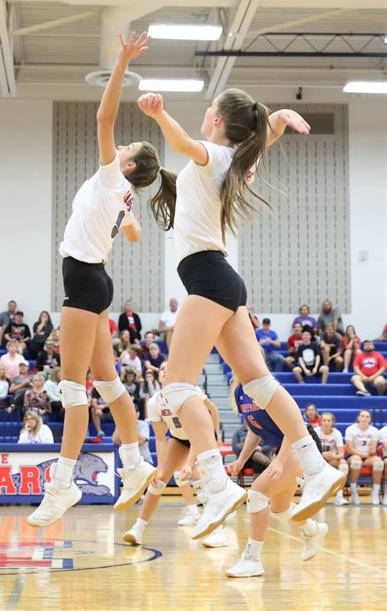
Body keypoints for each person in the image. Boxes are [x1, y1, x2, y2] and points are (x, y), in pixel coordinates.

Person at [138, 85, 344, 537]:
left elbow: (182, 145)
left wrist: (159, 114)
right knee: (259, 381)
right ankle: (316, 465)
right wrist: (279, 118)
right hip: (222, 277)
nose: (206, 112)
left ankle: (216, 482)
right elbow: (259, 137)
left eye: (211, 108)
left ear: (217, 121)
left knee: (174, 387)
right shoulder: (235, 158)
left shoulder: (212, 153)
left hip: (208, 277)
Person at [28, 33, 175, 527]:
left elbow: (103, 117)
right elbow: (132, 234)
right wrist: (121, 221)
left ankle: (62, 485)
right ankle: (134, 465)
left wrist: (122, 60)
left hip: (86, 281)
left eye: (127, 147)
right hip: (97, 281)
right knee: (109, 385)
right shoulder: (124, 193)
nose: (121, 144)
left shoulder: (115, 177)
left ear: (128, 164)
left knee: (72, 389)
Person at [225, 379, 328, 578]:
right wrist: (241, 461)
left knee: (256, 494)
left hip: (301, 441)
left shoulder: (266, 385)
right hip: (284, 447)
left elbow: (292, 423)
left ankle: (252, 559)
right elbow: (254, 431)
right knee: (280, 508)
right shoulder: (239, 392)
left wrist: (280, 460)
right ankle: (313, 530)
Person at [123, 362, 226, 549]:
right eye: (161, 369)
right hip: (178, 438)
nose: (164, 371)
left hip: (200, 435)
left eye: (168, 368)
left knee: (205, 481)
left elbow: (213, 411)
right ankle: (137, 529)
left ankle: (218, 531)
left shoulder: (190, 391)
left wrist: (215, 435)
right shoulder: (154, 402)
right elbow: (161, 439)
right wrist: (161, 467)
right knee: (159, 480)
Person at [345, 410, 383, 505]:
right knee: (356, 462)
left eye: (367, 417)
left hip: (368, 458)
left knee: (379, 463)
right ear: (358, 418)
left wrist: (372, 451)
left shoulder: (374, 431)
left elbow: (373, 450)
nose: (364, 418)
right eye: (362, 416)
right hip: (354, 456)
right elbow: (350, 450)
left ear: (370, 419)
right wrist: (365, 455)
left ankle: (375, 492)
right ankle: (354, 491)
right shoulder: (350, 429)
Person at [315, 412, 348, 506]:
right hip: (318, 459)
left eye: (329, 420)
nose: (326, 422)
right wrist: (322, 455)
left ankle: (339, 496)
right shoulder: (316, 431)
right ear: (320, 422)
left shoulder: (336, 433)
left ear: (332, 422)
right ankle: (319, 496)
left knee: (343, 464)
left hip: (332, 459)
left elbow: (341, 454)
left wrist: (333, 456)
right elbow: (311, 451)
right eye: (324, 420)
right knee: (317, 464)